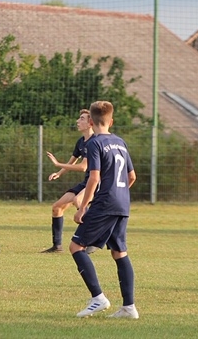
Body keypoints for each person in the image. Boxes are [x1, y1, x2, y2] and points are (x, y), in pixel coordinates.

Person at [71, 101, 138, 319]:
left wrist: (83, 207)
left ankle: (98, 298)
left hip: (105, 203)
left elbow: (94, 177)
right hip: (123, 203)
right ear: (112, 121)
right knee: (119, 252)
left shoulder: (94, 143)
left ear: (91, 121)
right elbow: (132, 177)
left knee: (76, 246)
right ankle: (129, 307)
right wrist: (118, 194)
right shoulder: (120, 142)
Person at [42, 109, 94, 253]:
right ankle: (57, 246)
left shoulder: (94, 142)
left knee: (78, 201)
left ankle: (92, 239)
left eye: (82, 119)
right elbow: (72, 162)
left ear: (91, 123)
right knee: (57, 207)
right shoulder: (81, 142)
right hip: (87, 182)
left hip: (98, 182)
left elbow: (83, 167)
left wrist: (58, 164)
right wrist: (59, 173)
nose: (78, 121)